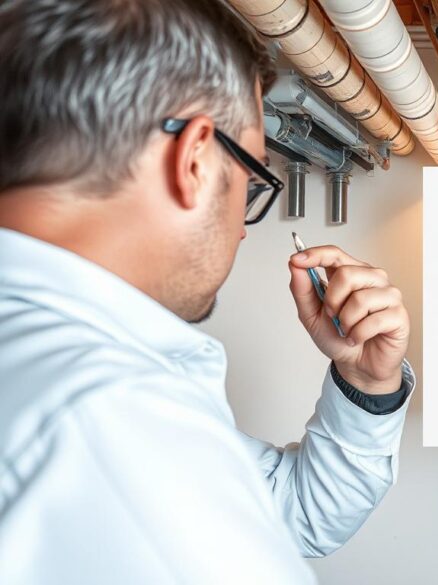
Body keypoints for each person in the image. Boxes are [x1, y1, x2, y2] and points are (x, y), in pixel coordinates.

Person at [0, 0, 413, 582]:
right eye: (250, 181)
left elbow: (294, 516)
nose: (243, 226)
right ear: (195, 158)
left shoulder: (83, 381)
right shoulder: (107, 415)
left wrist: (368, 381)